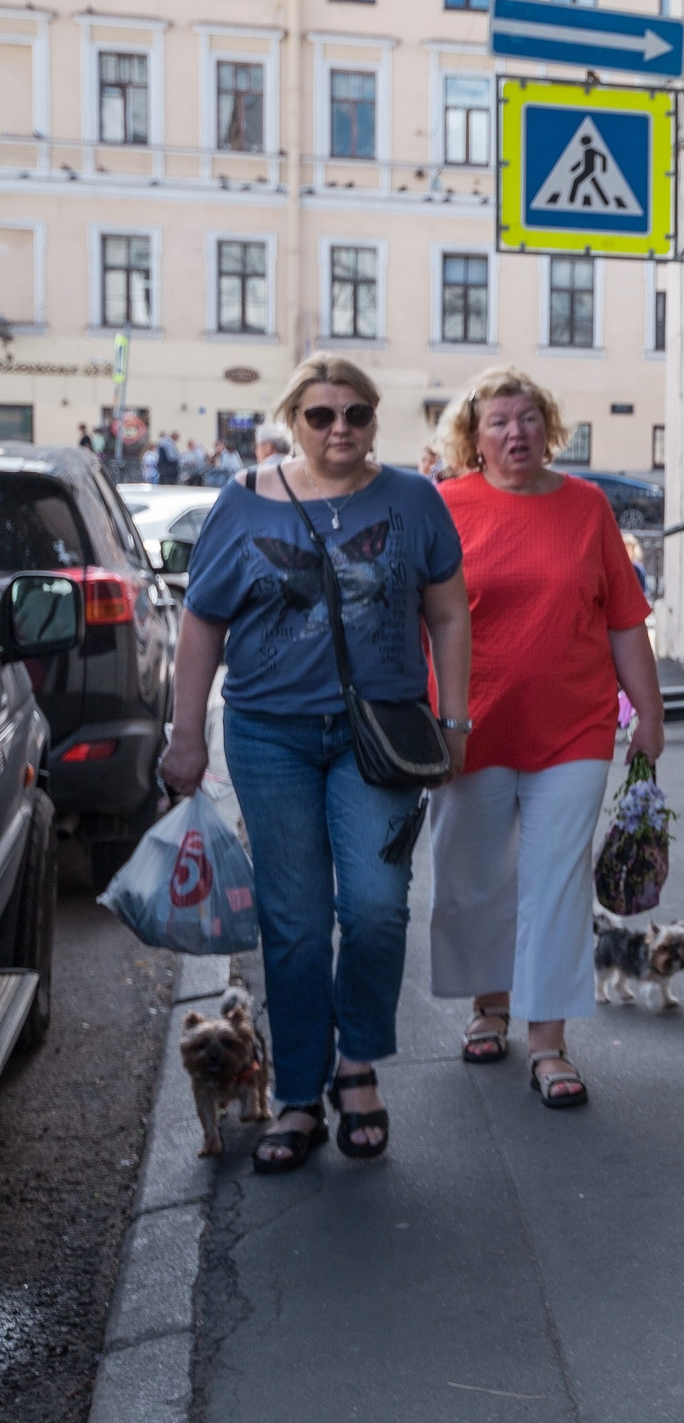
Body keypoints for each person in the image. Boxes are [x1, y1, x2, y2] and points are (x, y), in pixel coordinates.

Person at [160, 356, 472, 1174]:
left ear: (375, 419)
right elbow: (201, 623)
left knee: (373, 907)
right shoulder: (242, 500)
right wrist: (186, 733)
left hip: (381, 735)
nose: (341, 429)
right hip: (269, 736)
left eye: (357, 414)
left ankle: (357, 1063)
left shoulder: (413, 500)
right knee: (294, 923)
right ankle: (299, 1092)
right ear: (291, 419)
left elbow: (447, 612)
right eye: (321, 414)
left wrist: (456, 716)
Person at [426, 368, 663, 1110]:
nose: (515, 432)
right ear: (474, 435)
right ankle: (487, 1004)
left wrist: (647, 712)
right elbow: (416, 618)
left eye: (528, 417)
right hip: (470, 726)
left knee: (555, 884)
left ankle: (549, 1041)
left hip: (575, 728)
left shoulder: (587, 507)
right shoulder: (445, 507)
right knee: (472, 876)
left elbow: (625, 618)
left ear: (548, 424)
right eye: (498, 421)